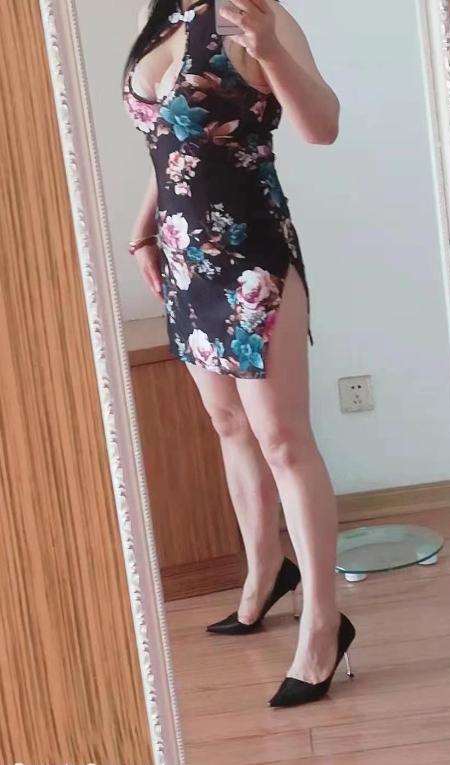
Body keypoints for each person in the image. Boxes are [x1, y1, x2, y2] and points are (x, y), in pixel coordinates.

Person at [123, 0, 355, 707]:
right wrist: (142, 230)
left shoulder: (259, 14)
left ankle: (323, 624)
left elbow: (322, 127)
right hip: (183, 257)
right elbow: (171, 140)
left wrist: (270, 49)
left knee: (283, 440)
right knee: (229, 425)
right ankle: (264, 575)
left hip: (251, 255)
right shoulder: (160, 14)